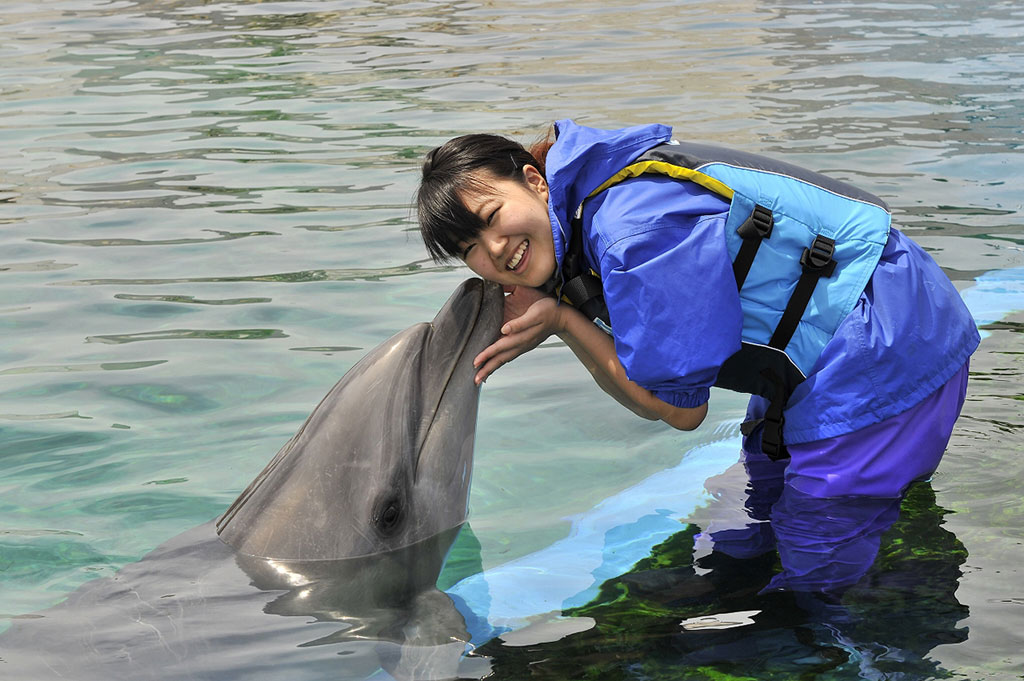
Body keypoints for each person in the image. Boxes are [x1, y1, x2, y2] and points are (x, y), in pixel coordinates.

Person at [416, 120, 980, 596]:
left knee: (817, 567)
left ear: (535, 181)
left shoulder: (631, 233)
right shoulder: (595, 200)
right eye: (469, 250)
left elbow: (679, 410)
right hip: (838, 342)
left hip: (885, 347)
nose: (492, 251)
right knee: (755, 507)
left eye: (492, 217)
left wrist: (565, 323)